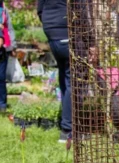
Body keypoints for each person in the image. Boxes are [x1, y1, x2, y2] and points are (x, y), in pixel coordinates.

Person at [37, 0, 71, 142]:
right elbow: (82, 11)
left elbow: (40, 10)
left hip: (52, 34)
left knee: (64, 77)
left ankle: (66, 123)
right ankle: (68, 129)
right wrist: (91, 42)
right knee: (74, 82)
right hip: (65, 31)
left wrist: (50, 27)